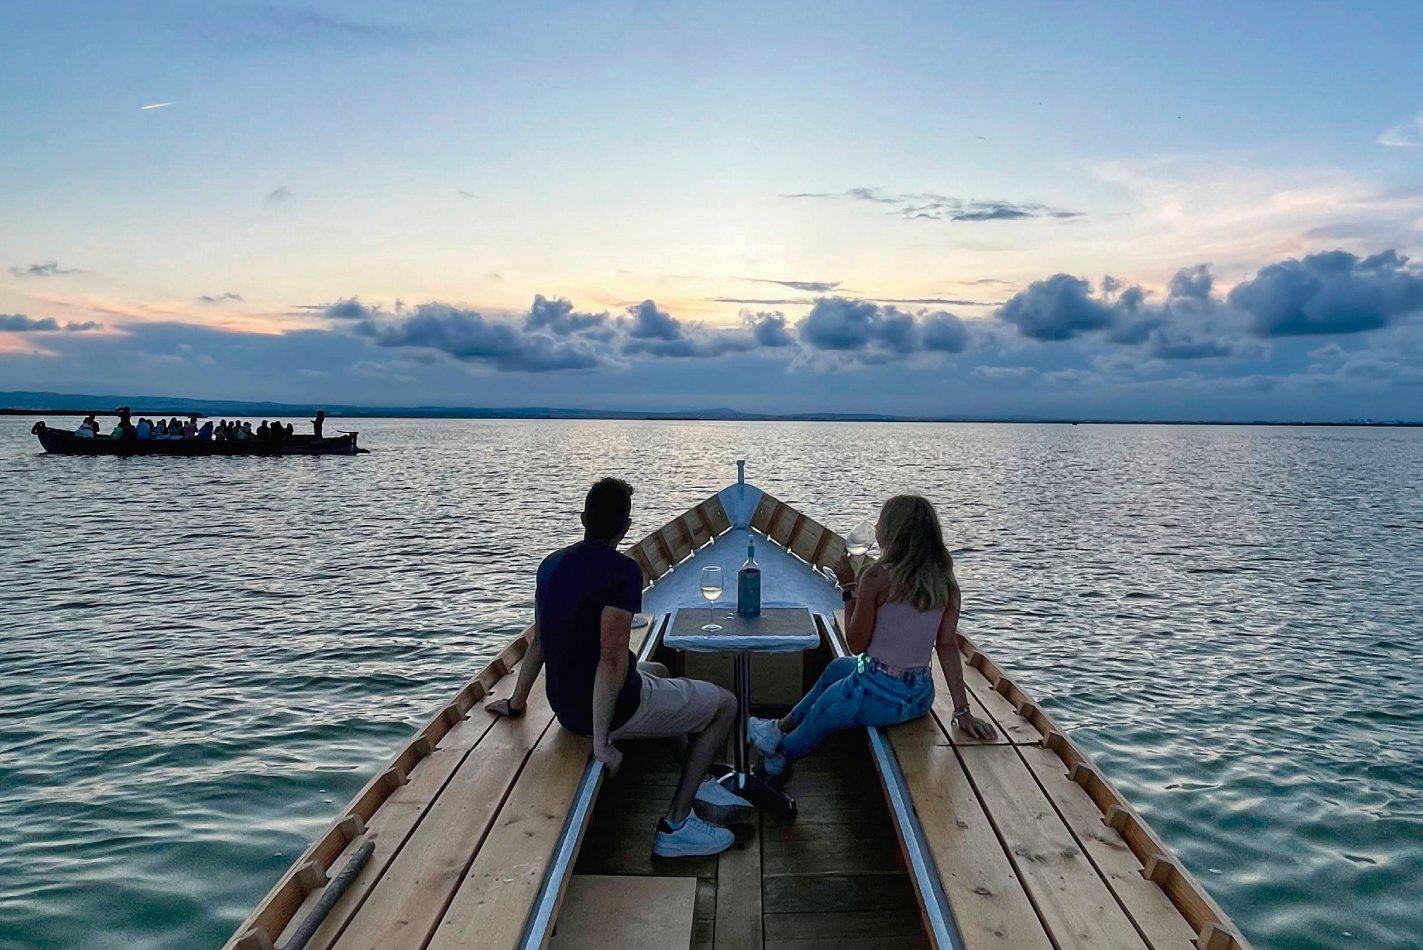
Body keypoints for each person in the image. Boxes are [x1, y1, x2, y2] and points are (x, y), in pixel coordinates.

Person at [487, 477, 749, 857]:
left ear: (583, 519)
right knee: (726, 705)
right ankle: (676, 824)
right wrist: (601, 744)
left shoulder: (550, 566)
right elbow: (610, 662)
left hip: (564, 704)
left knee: (656, 670)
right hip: (604, 712)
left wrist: (516, 702)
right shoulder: (622, 572)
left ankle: (698, 775)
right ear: (626, 527)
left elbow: (541, 641)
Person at [748, 495, 997, 780]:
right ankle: (777, 728)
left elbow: (856, 644)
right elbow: (947, 646)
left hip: (877, 695)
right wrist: (962, 710)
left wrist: (849, 588)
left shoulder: (877, 576)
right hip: (919, 696)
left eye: (881, 521)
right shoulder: (945, 581)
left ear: (892, 531)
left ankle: (778, 758)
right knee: (837, 669)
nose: (876, 525)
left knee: (823, 711)